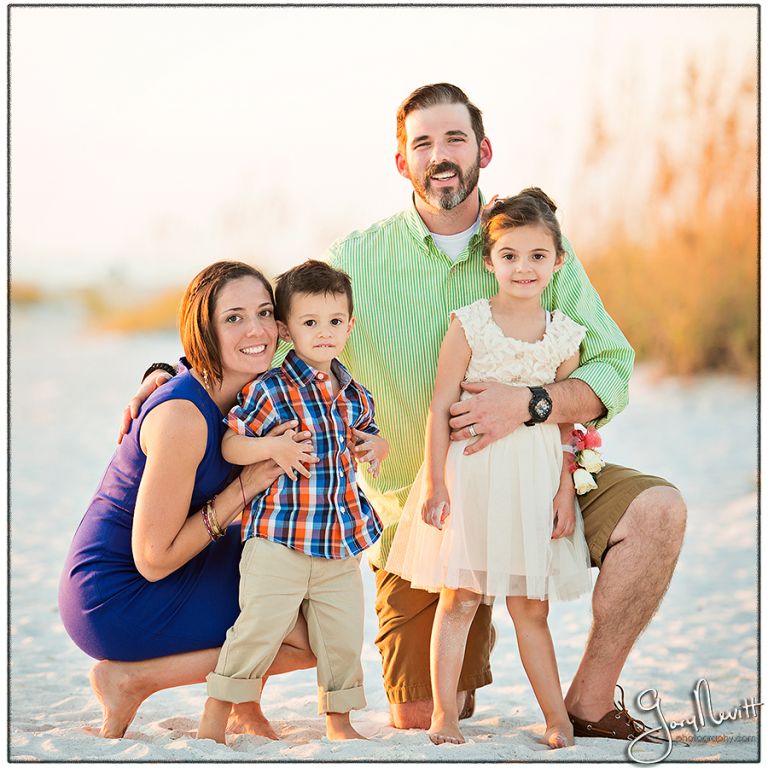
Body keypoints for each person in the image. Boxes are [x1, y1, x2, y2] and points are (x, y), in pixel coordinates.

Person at [127, 83, 687, 740]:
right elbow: (267, 333)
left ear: (483, 151)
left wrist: (530, 404)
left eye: (455, 138)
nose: (440, 155)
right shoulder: (358, 259)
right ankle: (470, 625)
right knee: (419, 718)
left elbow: (611, 364)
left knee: (657, 511)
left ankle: (588, 702)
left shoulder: (532, 247)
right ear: (402, 162)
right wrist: (176, 374)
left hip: (537, 477)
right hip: (424, 512)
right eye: (423, 143)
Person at [59, 261, 318, 740]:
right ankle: (133, 680)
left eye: (264, 313)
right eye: (234, 318)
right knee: (306, 636)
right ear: (205, 331)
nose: (257, 330)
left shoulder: (252, 389)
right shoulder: (182, 416)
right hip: (117, 594)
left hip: (179, 562)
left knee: (308, 589)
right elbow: (153, 560)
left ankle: (242, 706)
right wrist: (243, 488)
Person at [386, 188, 592, 747]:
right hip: (472, 475)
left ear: (558, 260)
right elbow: (439, 406)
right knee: (459, 598)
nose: (523, 267)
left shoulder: (565, 335)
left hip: (534, 479)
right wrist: (435, 481)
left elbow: (565, 423)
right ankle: (444, 716)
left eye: (537, 255)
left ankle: (556, 718)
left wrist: (565, 489)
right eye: (509, 255)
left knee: (531, 607)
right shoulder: (470, 325)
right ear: (489, 261)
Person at [196, 260, 389, 744]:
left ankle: (340, 722)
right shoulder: (270, 389)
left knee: (343, 636)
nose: (324, 333)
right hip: (279, 539)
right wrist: (271, 448)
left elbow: (369, 434)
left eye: (334, 321)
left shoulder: (355, 394)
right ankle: (216, 716)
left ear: (350, 325)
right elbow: (231, 444)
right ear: (285, 329)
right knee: (258, 629)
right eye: (310, 322)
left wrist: (377, 446)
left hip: (339, 542)